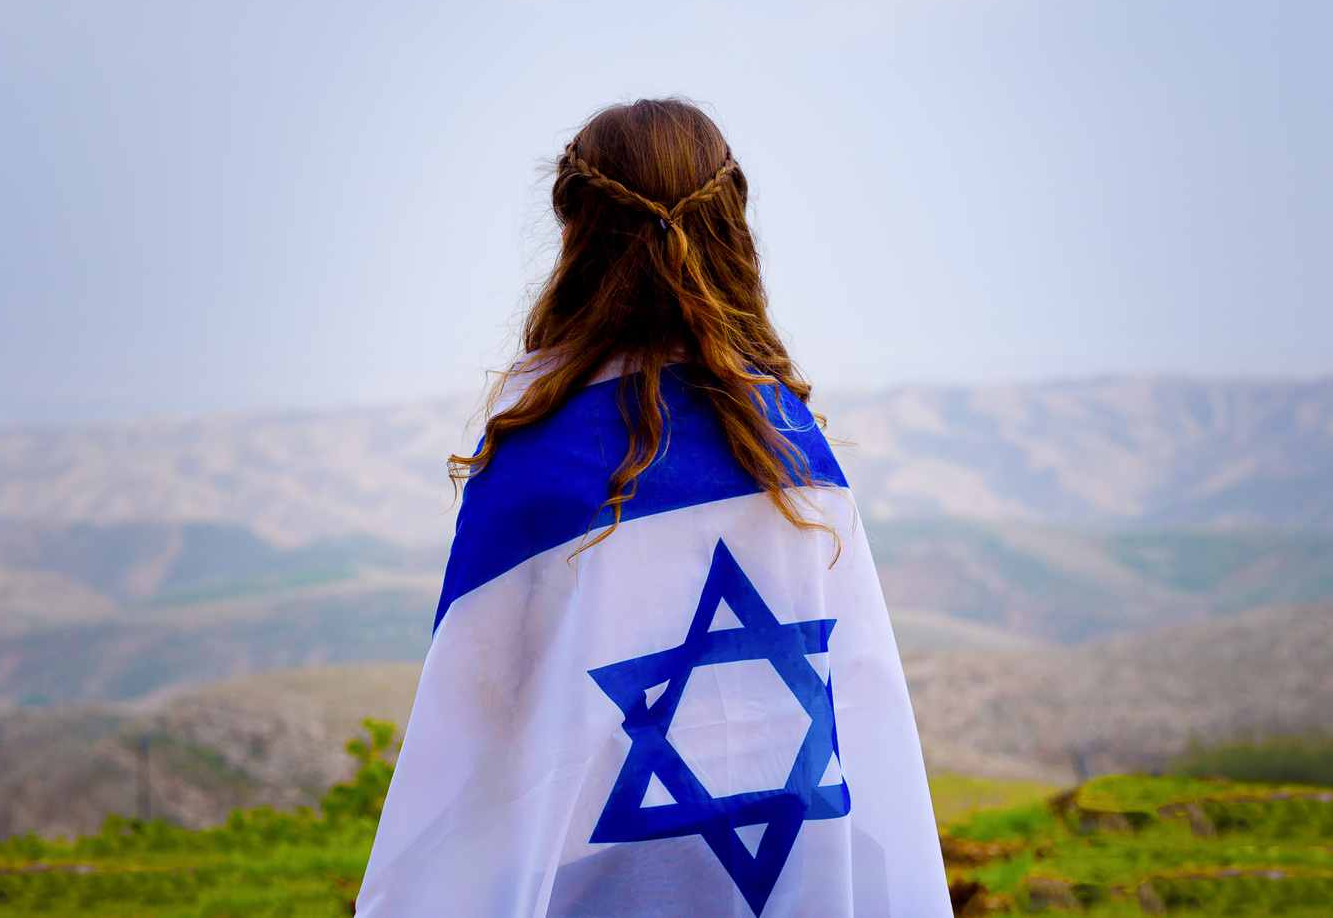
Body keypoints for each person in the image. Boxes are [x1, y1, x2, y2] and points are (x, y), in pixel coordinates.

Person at [355, 99, 950, 917]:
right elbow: (853, 706)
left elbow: (473, 732)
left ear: (572, 228)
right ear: (733, 227)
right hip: (794, 871)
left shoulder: (538, 455)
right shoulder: (789, 443)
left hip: (605, 880)